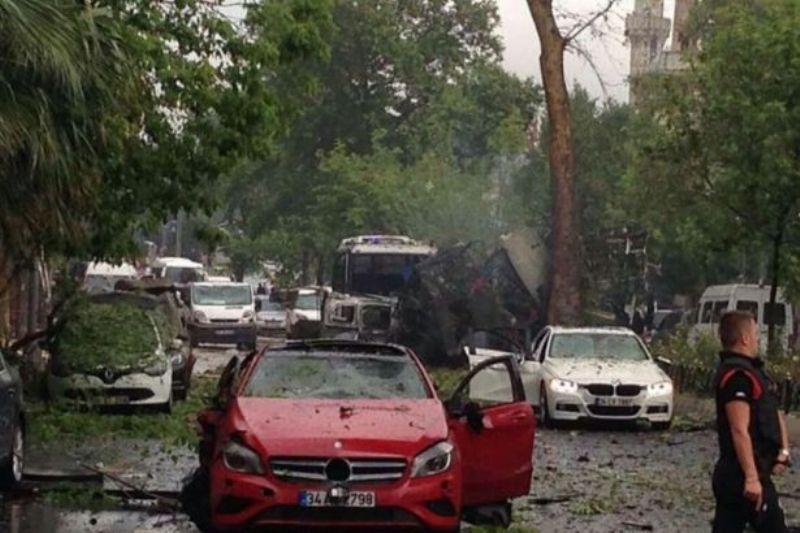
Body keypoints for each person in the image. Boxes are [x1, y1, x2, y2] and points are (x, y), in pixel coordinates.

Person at [712, 311, 791, 532]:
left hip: (755, 470)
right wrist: (751, 478)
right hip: (740, 476)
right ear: (745, 338)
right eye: (755, 333)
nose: (758, 339)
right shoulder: (737, 377)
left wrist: (783, 451)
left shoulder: (755, 373)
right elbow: (739, 429)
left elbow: (773, 412)